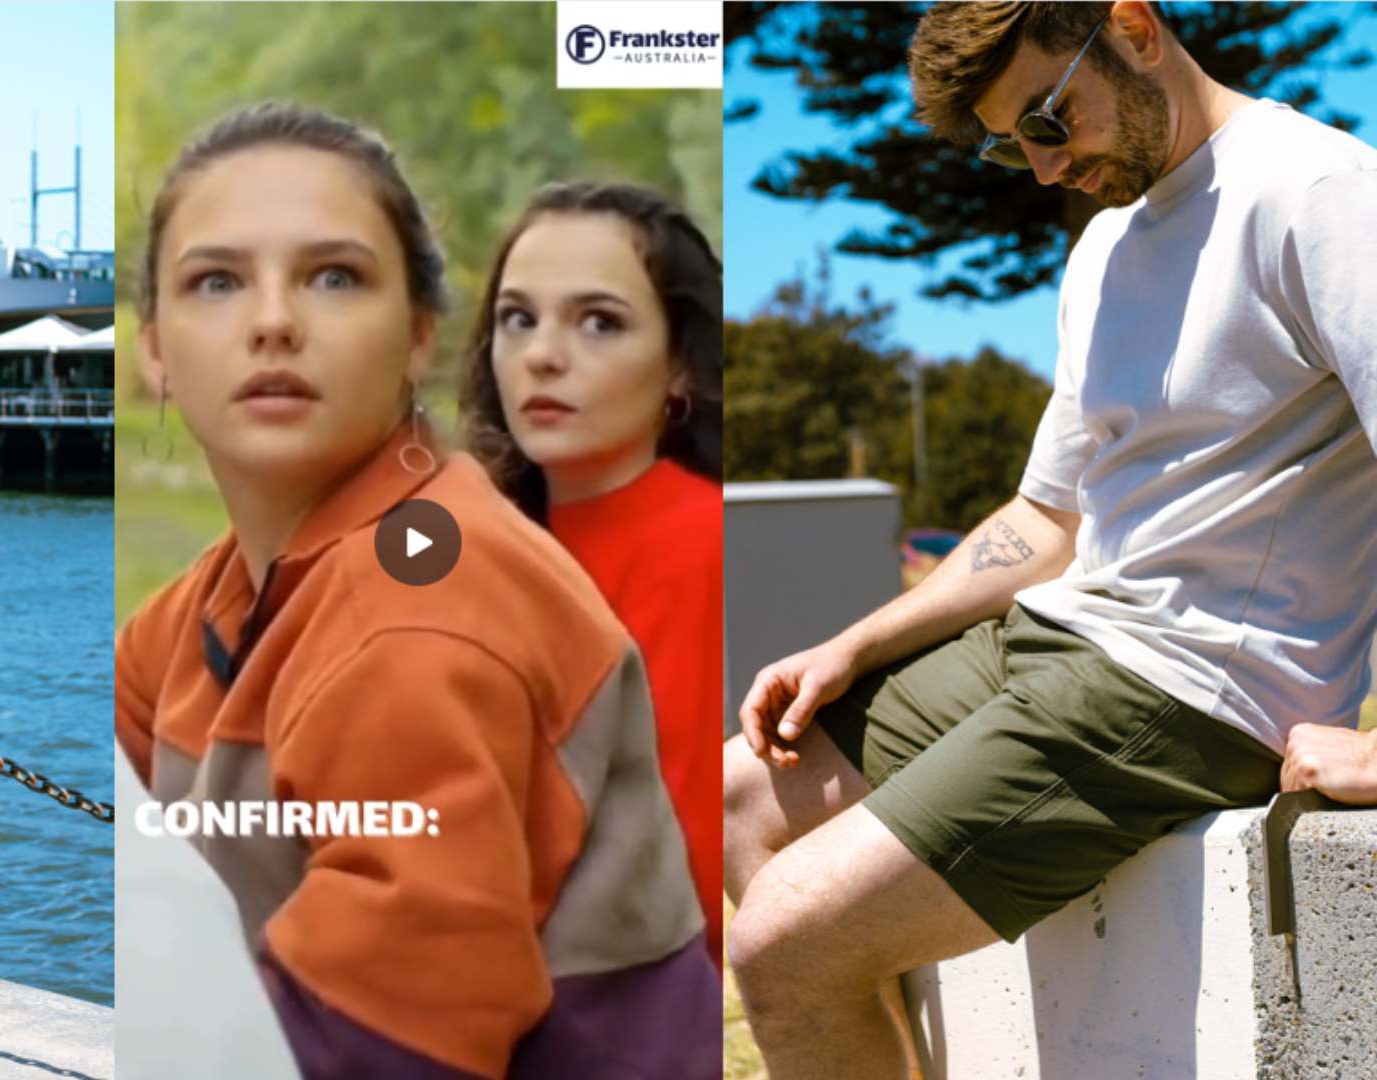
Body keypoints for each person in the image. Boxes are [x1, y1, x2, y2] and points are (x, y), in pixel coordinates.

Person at [721, 3, 1377, 1077]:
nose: (1039, 164)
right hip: (1058, 640)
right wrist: (857, 644)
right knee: (739, 796)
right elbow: (1047, 521)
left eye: (1047, 117)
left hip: (1193, 688)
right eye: (1009, 141)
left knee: (781, 942)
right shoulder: (1110, 242)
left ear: (1133, 25)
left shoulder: (1320, 194)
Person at [114, 102, 717, 1079]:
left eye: (336, 276)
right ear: (155, 351)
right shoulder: (204, 607)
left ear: (418, 337)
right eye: (216, 280)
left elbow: (390, 1046)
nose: (273, 321)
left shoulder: (429, 609)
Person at [461, 181, 723, 962]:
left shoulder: (700, 543)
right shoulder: (474, 543)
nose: (542, 354)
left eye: (599, 322)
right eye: (518, 318)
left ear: (681, 366)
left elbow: (676, 856)